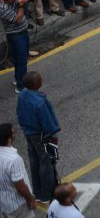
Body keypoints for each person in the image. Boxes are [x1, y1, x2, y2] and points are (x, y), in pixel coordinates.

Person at [16, 72, 60, 204]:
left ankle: (38, 192)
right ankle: (47, 194)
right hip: (41, 135)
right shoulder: (40, 102)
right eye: (40, 79)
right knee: (45, 164)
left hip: (29, 134)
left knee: (34, 161)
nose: (42, 80)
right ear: (36, 84)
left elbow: (19, 112)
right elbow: (47, 122)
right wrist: (53, 137)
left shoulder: (23, 94)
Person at [0, 0, 30, 93]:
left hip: (23, 33)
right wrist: (21, 5)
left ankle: (18, 79)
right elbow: (17, 19)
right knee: (21, 60)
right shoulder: (2, 8)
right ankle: (21, 87)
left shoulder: (13, 0)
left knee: (22, 58)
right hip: (16, 36)